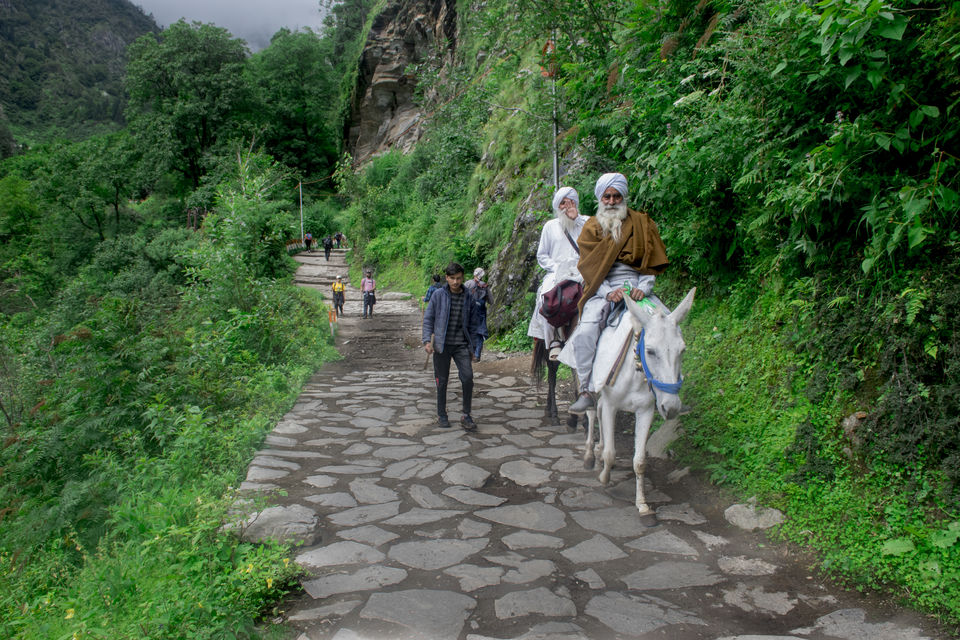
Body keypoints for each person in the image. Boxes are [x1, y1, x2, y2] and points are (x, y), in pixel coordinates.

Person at [568, 172, 669, 414]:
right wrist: (606, 292)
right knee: (585, 332)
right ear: (600, 199)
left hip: (637, 288)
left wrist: (642, 288)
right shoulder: (591, 228)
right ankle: (586, 390)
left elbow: (649, 265)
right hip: (603, 288)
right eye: (607, 196)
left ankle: (670, 389)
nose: (612, 201)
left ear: (623, 197)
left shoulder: (643, 223)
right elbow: (589, 270)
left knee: (669, 325)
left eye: (616, 196)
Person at [527, 186, 588, 360]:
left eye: (571, 202)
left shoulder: (587, 222)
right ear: (557, 206)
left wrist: (577, 220)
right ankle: (554, 340)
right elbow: (542, 255)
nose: (567, 206)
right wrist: (557, 268)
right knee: (544, 297)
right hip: (556, 273)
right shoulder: (550, 226)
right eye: (563, 202)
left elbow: (596, 242)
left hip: (582, 272)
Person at [422, 262, 484, 431]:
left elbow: (473, 324)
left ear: (462, 277)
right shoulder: (438, 296)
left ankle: (466, 414)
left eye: (459, 278)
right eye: (452, 278)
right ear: (447, 278)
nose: (456, 282)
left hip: (461, 345)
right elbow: (429, 319)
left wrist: (473, 348)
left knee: (468, 377)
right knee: (441, 381)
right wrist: (427, 341)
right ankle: (442, 414)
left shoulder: (468, 297)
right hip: (441, 345)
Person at [463, 267, 490, 361]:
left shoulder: (467, 284)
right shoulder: (485, 286)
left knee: (469, 330)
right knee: (480, 332)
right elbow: (491, 300)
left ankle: (470, 353)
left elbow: (462, 296)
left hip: (469, 310)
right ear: (482, 275)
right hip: (481, 311)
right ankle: (477, 355)